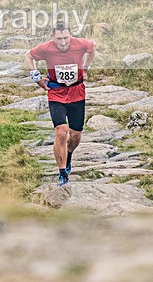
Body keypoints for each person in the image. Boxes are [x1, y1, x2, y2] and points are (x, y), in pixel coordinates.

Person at [24, 23, 96, 187]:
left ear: (71, 35)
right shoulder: (46, 48)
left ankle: (69, 153)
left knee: (75, 135)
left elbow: (93, 48)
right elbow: (28, 56)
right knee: (61, 132)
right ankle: (62, 172)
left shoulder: (80, 44)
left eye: (66, 38)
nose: (63, 42)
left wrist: (85, 67)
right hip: (56, 92)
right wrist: (36, 77)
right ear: (52, 37)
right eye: (59, 39)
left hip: (77, 91)